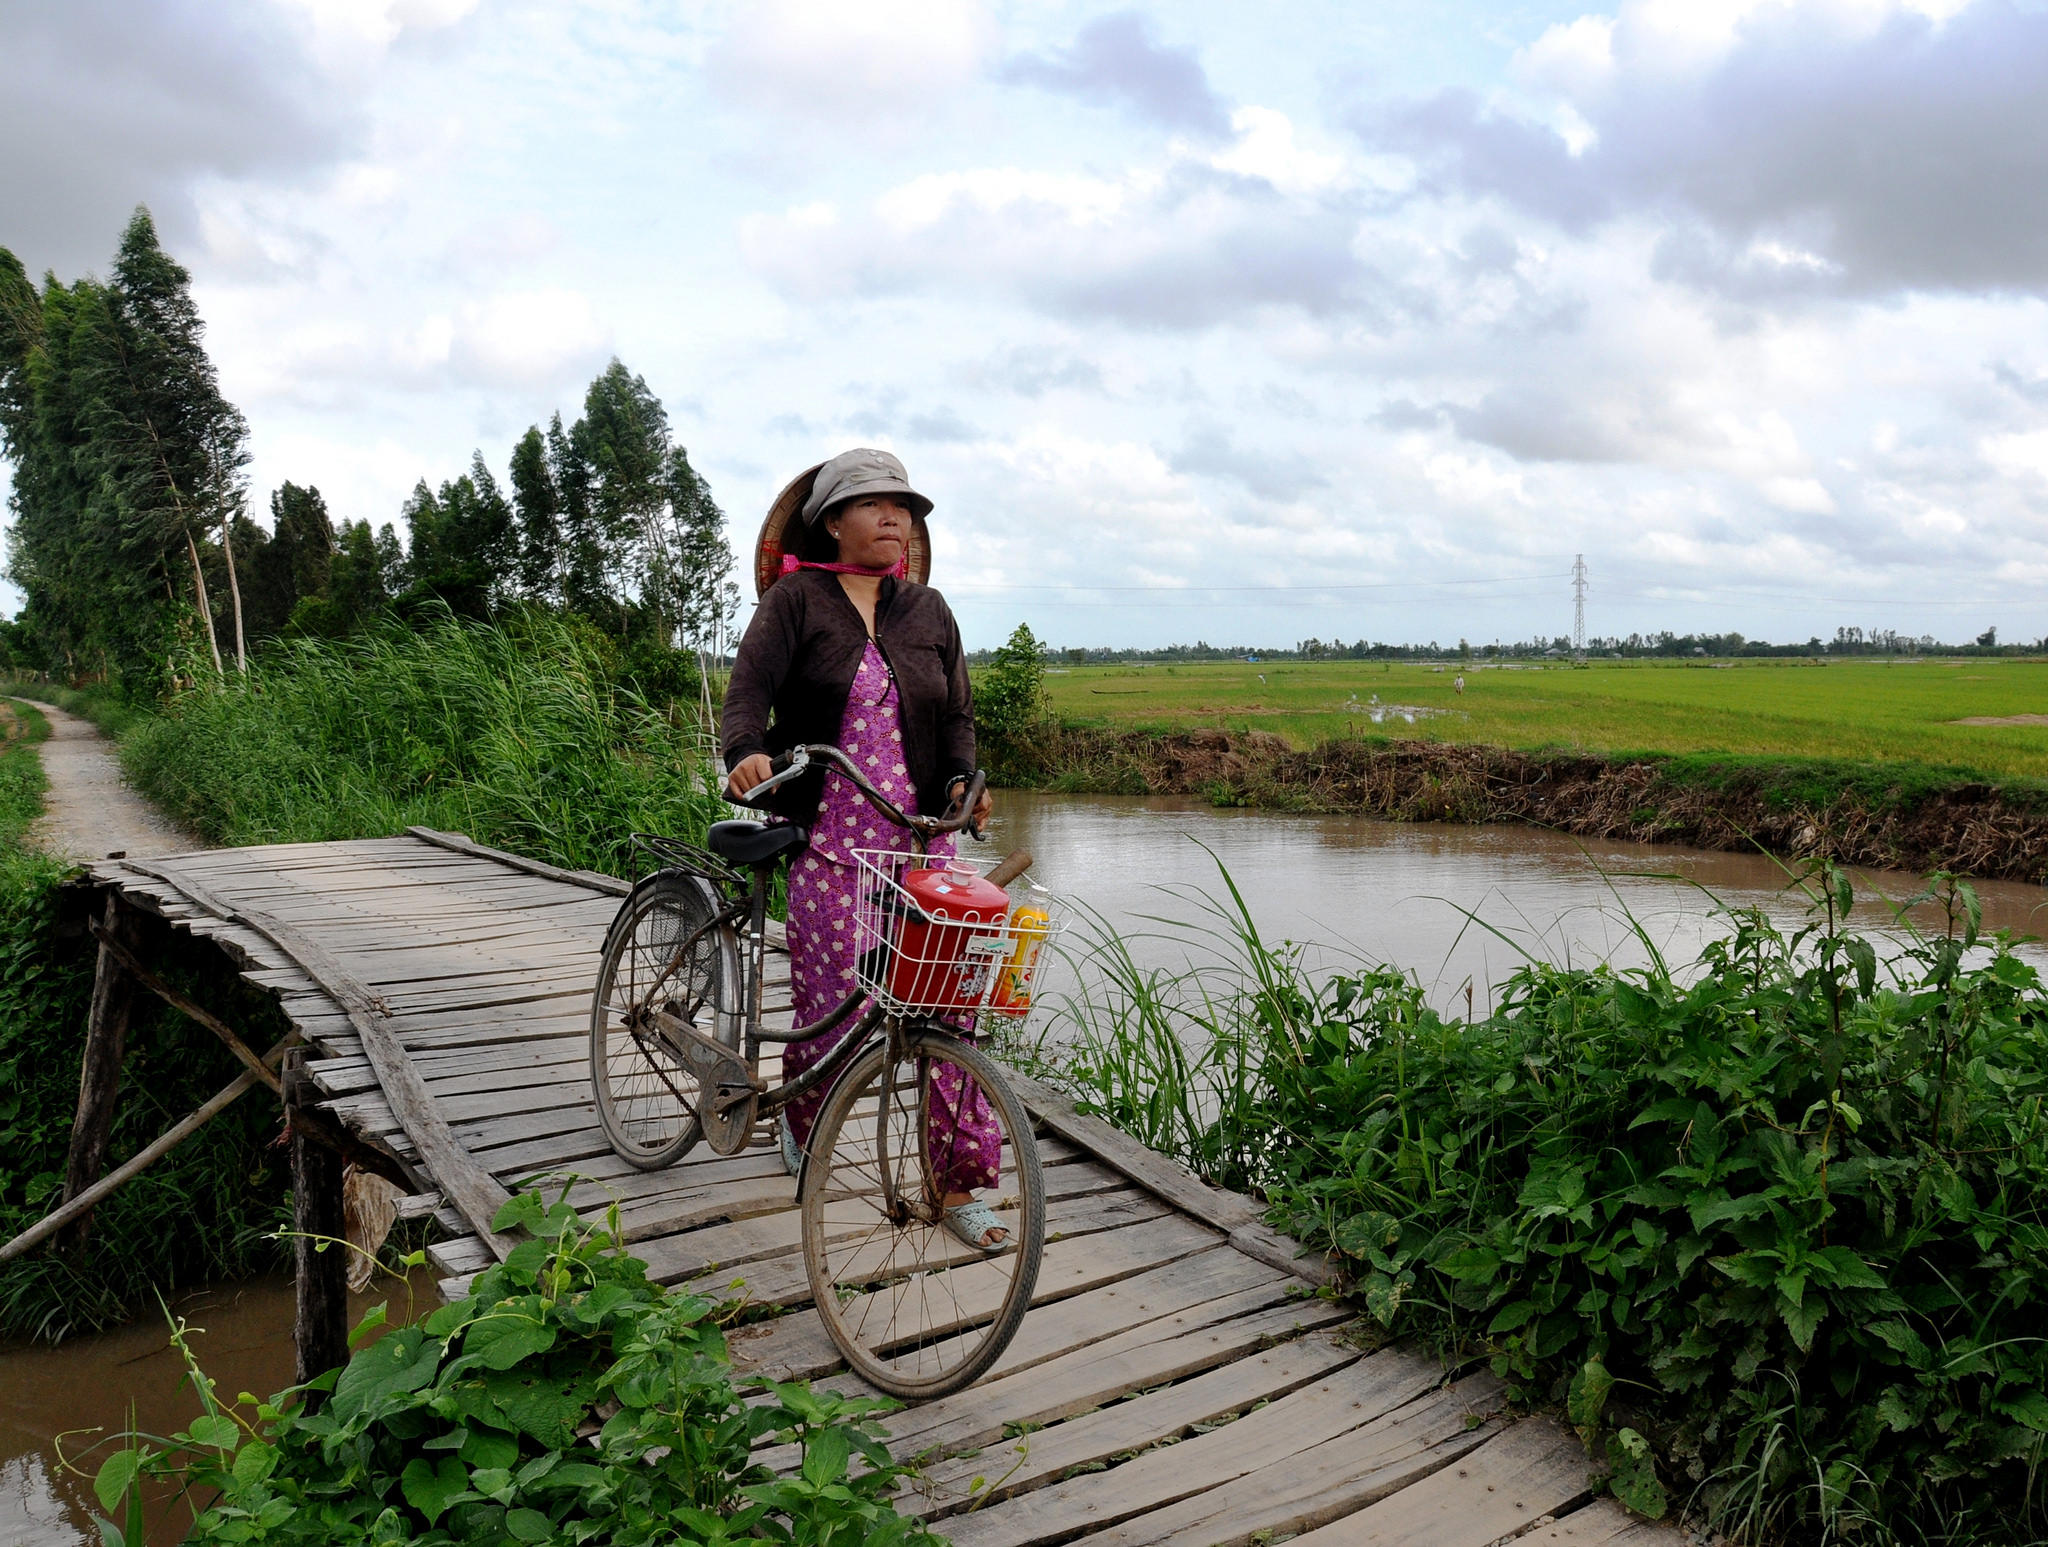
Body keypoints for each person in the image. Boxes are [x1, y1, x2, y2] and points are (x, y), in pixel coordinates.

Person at [721, 448, 1005, 1250]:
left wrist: (964, 786)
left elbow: (956, 723)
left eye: (904, 506)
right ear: (831, 521)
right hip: (832, 844)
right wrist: (745, 752)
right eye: (874, 503)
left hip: (921, 853)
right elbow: (748, 695)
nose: (895, 517)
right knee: (831, 1016)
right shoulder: (794, 604)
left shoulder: (930, 611)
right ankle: (804, 1129)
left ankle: (956, 1185)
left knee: (954, 1016)